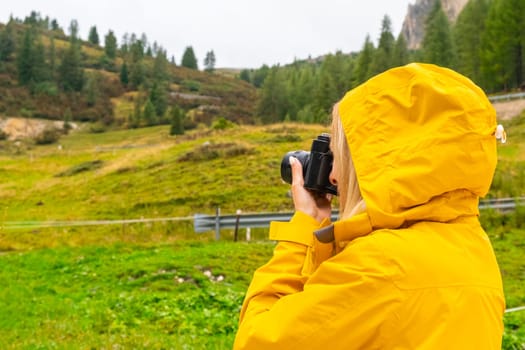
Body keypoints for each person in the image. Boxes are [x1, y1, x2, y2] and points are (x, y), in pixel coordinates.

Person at [233, 63, 505, 349]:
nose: (334, 176)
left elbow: (255, 341)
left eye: (342, 157)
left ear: (384, 163)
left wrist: (303, 231)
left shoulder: (378, 267)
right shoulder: (477, 250)